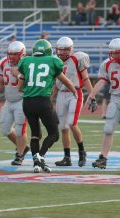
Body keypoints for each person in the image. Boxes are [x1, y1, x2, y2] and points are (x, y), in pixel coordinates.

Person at [17, 39, 77, 173]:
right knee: (54, 134)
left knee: (35, 134)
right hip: (43, 102)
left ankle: (36, 163)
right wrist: (74, 91)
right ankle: (41, 156)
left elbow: (19, 88)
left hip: (27, 102)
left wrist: (31, 89)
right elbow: (65, 81)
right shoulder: (52, 62)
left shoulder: (26, 62)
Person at [52, 37, 94, 167]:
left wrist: (92, 96)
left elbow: (86, 79)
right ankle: (67, 157)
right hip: (61, 94)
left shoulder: (77, 58)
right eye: (60, 50)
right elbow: (55, 82)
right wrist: (51, 98)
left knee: (72, 123)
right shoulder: (55, 60)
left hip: (74, 93)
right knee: (63, 127)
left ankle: (82, 152)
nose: (61, 53)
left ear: (70, 49)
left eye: (64, 50)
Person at [87, 38, 120, 169]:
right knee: (108, 129)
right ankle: (103, 158)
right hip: (115, 98)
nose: (113, 55)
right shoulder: (107, 64)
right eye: (112, 53)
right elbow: (102, 81)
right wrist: (91, 95)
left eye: (116, 53)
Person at [0, 41, 30, 165]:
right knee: (5, 130)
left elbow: (31, 83)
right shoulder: (3, 63)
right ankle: (23, 148)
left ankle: (19, 155)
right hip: (8, 101)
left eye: (15, 54)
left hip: (22, 100)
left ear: (22, 54)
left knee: (20, 129)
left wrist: (20, 75)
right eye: (10, 54)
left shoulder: (28, 64)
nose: (12, 57)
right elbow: (2, 78)